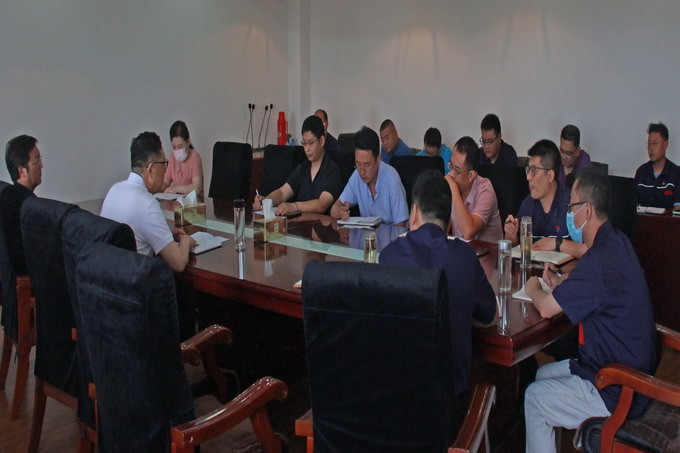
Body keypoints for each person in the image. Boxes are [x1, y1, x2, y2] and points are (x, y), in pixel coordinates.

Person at [523, 168, 657, 453]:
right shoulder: (616, 242)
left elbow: (546, 308)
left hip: (618, 385)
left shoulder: (599, 260)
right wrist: (561, 284)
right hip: (615, 365)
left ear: (586, 210)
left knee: (534, 397)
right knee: (542, 376)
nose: (568, 215)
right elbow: (593, 286)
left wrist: (533, 286)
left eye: (571, 207)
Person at [380, 170, 496, 427]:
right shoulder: (465, 257)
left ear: (414, 212)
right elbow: (489, 316)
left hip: (394, 408)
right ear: (450, 220)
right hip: (448, 413)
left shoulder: (389, 256)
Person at [101, 131, 195, 273]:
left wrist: (166, 235)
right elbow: (179, 263)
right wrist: (186, 241)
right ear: (151, 169)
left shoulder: (114, 190)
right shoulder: (148, 204)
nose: (165, 170)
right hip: (135, 282)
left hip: (110, 279)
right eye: (163, 164)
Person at [505, 139, 586, 257]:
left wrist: (556, 243)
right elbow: (517, 248)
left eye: (533, 170)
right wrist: (511, 235)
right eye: (528, 170)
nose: (528, 177)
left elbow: (588, 250)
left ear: (550, 175)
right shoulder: (528, 204)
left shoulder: (572, 203)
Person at [254, 115, 342, 215]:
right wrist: (266, 200)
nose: (307, 149)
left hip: (323, 224)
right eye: (304, 143)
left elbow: (322, 204)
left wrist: (295, 206)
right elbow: (282, 193)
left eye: (310, 143)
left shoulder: (332, 170)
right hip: (301, 223)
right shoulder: (303, 168)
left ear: (322, 141)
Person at [330, 126, 409, 226]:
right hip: (367, 234)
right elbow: (334, 209)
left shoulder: (391, 178)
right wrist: (341, 212)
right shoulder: (357, 176)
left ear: (378, 159)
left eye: (367, 165)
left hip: (392, 234)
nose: (362, 171)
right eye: (358, 164)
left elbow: (401, 226)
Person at [446, 136, 502, 242]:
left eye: (457, 170)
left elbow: (468, 232)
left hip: (488, 251)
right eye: (451, 166)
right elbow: (440, 228)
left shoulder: (486, 191)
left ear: (471, 175)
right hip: (462, 249)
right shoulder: (452, 183)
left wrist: (453, 188)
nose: (451, 174)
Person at [3, 134, 43, 274]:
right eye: (36, 160)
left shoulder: (7, 198)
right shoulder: (28, 207)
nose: (41, 165)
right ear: (22, 170)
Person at [634, 122, 680, 210]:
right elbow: (633, 206)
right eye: (649, 144)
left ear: (665, 145)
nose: (651, 148)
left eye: (655, 143)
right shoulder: (641, 172)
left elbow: (678, 209)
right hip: (643, 219)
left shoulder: (676, 173)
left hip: (668, 219)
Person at [161, 120, 204, 198]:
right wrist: (153, 189)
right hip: (176, 201)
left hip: (194, 202)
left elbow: (196, 188)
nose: (177, 151)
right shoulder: (172, 157)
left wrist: (176, 188)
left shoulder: (195, 158)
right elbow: (165, 182)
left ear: (188, 142)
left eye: (180, 146)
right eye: (174, 147)